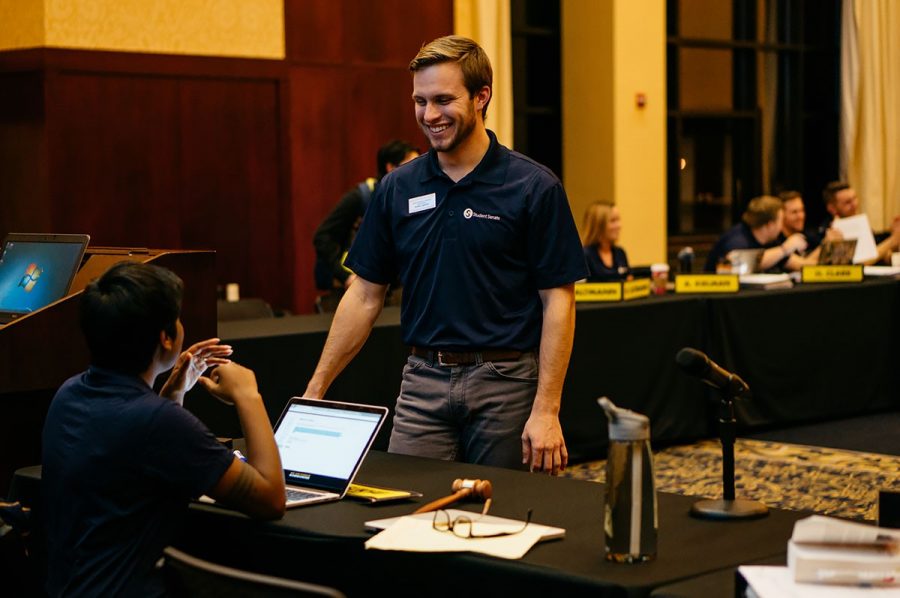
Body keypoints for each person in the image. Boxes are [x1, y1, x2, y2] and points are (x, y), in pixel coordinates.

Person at [303, 35, 587, 475]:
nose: (429, 115)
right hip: (422, 383)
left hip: (507, 384)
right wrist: (316, 389)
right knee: (408, 512)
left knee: (503, 521)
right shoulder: (398, 188)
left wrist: (547, 410)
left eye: (443, 100)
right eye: (420, 101)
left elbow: (559, 301)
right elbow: (363, 296)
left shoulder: (533, 187)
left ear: (481, 97)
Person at [42, 262, 285, 597]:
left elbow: (140, 458)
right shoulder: (156, 422)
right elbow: (271, 499)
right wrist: (248, 395)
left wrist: (173, 394)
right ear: (167, 337)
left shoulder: (69, 394)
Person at [313, 140, 419, 291]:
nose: (418, 171)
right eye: (411, 165)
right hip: (351, 286)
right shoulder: (359, 198)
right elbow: (322, 237)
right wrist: (345, 276)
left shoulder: (408, 198)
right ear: (391, 168)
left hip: (388, 286)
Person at [704, 195, 808, 272]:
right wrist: (784, 249)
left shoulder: (770, 241)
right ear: (770, 225)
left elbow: (801, 265)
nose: (781, 227)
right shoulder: (737, 241)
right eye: (781, 221)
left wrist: (823, 246)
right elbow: (738, 265)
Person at [819, 181, 900, 264]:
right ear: (832, 208)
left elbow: (882, 254)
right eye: (848, 202)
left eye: (855, 198)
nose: (854, 204)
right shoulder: (827, 232)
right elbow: (858, 263)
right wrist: (893, 240)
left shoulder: (860, 224)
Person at [581, 201, 630, 281]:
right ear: (599, 225)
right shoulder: (585, 255)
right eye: (613, 220)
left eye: (618, 220)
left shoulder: (620, 253)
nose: (619, 225)